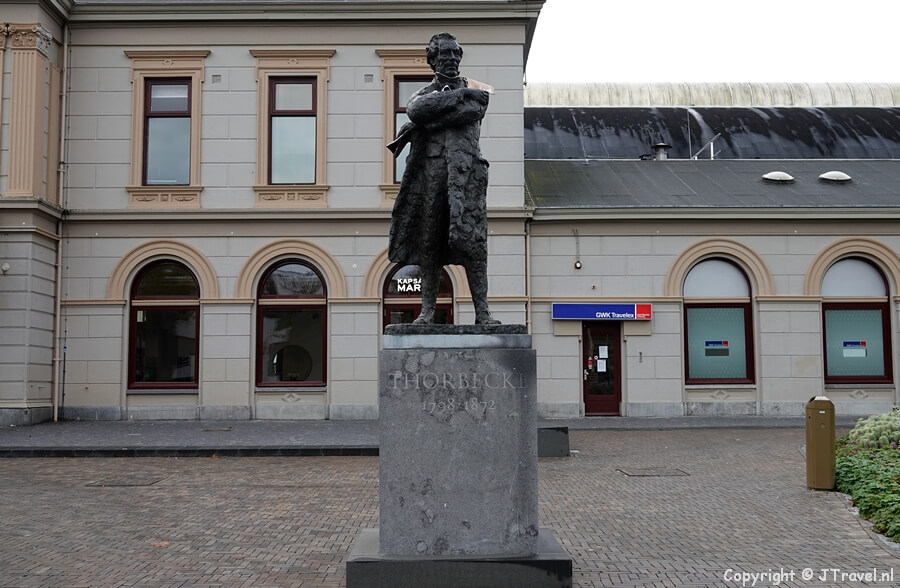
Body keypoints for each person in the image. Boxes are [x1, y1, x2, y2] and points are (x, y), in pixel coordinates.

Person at [387, 32, 499, 325]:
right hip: (432, 174)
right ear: (433, 60)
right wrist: (460, 95)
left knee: (474, 242)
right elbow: (416, 109)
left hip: (465, 175)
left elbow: (472, 112)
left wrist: (434, 116)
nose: (450, 60)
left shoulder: (479, 92)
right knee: (430, 240)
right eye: (444, 55)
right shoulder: (442, 93)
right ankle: (426, 311)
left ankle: (482, 312)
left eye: (454, 55)